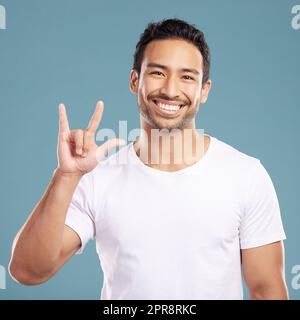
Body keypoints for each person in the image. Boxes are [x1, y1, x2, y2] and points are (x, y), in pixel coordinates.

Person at [9, 18, 288, 300]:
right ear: (135, 81)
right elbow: (27, 271)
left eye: (187, 77)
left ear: (204, 90)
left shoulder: (246, 175)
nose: (170, 89)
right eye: (157, 72)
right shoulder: (96, 179)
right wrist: (65, 176)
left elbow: (267, 291)